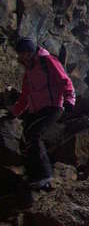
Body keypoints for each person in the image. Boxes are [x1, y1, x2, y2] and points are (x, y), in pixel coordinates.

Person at [12, 37, 75, 190]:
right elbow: (25, 96)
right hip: (37, 109)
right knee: (25, 137)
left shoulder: (47, 61)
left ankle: (44, 176)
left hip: (53, 106)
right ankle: (32, 176)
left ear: (31, 52)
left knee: (34, 134)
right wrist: (13, 113)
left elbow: (65, 80)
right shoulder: (29, 71)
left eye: (25, 53)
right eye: (21, 54)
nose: (22, 57)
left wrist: (70, 99)